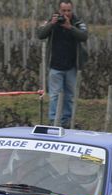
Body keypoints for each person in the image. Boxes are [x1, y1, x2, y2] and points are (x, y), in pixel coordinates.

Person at [37, 0, 88, 128]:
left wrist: (70, 27)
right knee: (54, 95)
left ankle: (66, 121)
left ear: (72, 10)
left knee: (69, 96)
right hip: (55, 65)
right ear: (59, 10)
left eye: (68, 11)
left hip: (72, 66)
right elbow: (40, 34)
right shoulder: (52, 21)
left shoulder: (78, 22)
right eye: (63, 11)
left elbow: (84, 36)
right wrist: (51, 24)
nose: (66, 13)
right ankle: (54, 121)